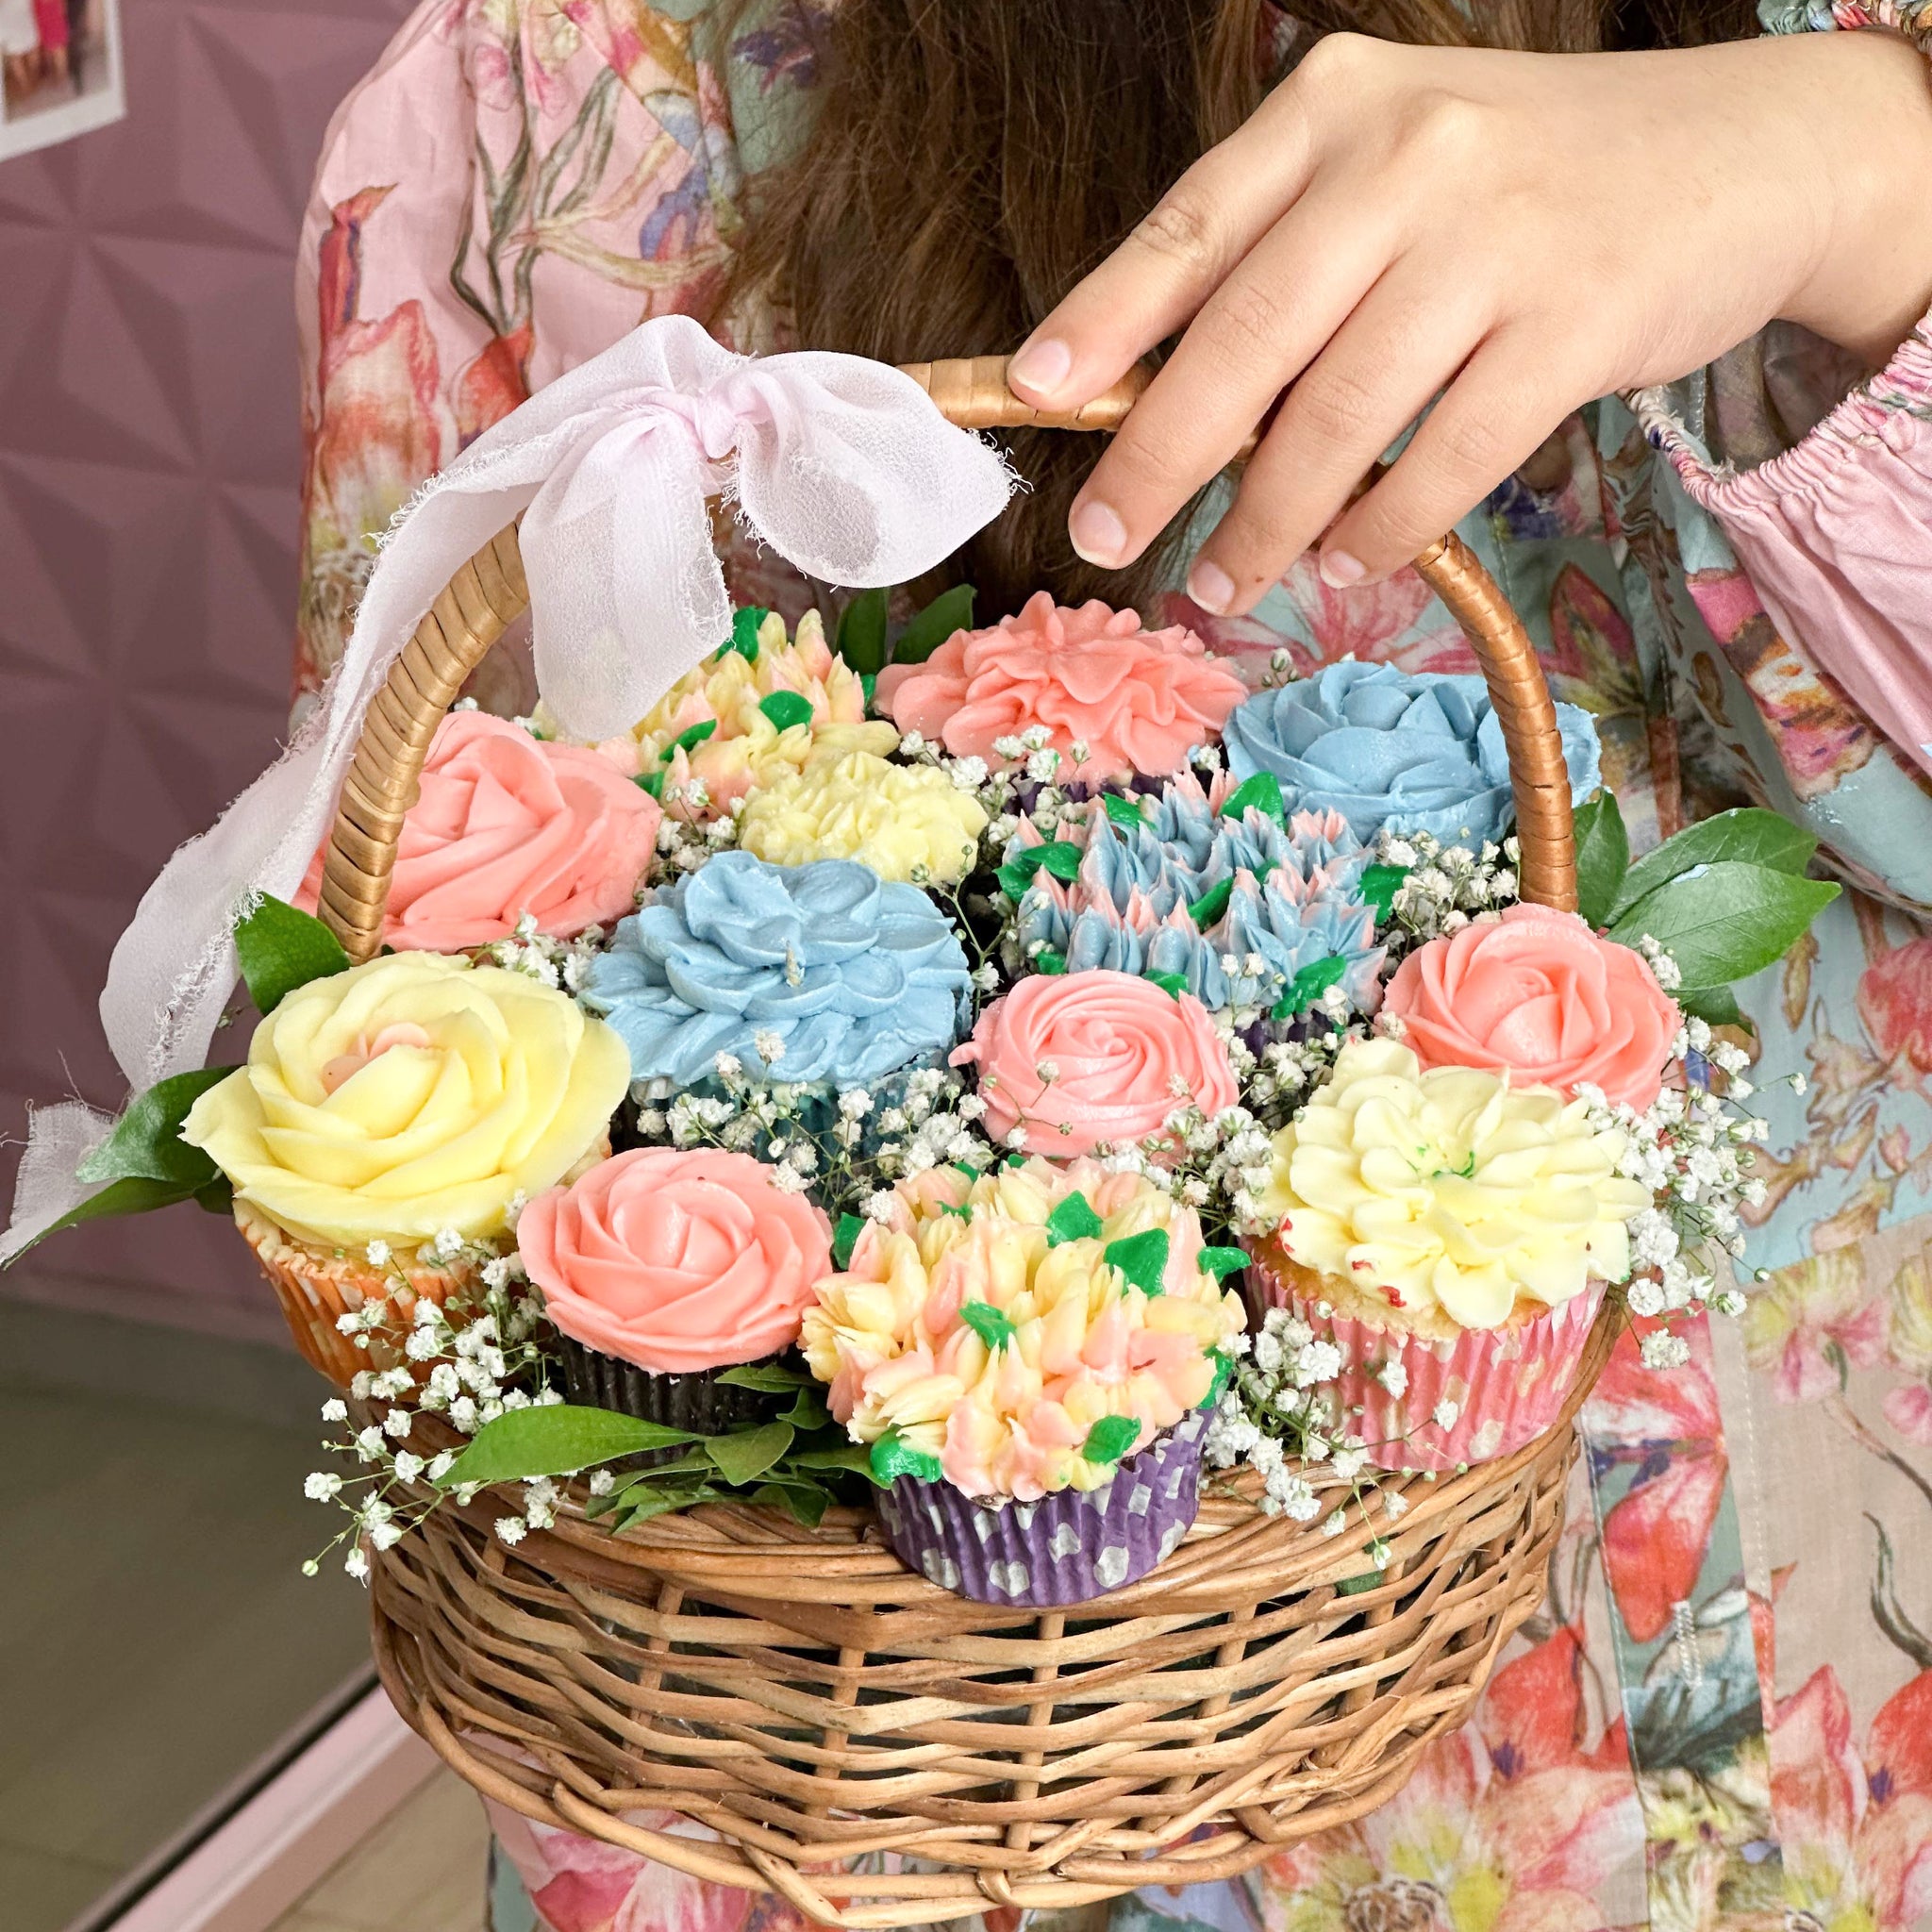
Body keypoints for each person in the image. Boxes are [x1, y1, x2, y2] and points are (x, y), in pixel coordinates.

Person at [298, 5, 1932, 1928]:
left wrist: (1862, 176)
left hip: (1793, 1684)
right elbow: (441, 1082)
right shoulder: (569, 96)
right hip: (929, 1774)